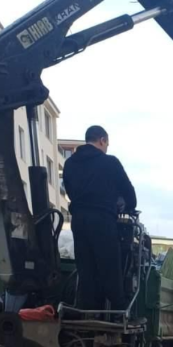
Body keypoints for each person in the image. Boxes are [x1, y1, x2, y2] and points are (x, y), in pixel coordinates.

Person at [62, 125, 136, 311]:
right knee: (110, 266)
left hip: (78, 221)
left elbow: (69, 190)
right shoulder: (110, 163)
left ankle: (86, 310)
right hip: (103, 220)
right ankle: (119, 311)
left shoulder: (70, 164)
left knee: (85, 268)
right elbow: (129, 193)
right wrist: (127, 206)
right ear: (102, 140)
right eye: (107, 144)